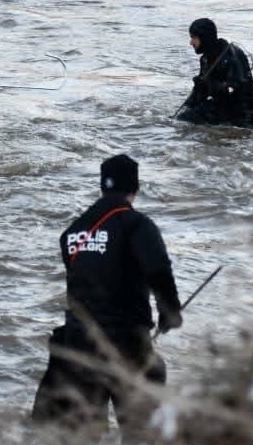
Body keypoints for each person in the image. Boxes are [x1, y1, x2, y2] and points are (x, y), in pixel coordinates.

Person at [32, 154, 183, 430]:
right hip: (125, 345)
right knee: (142, 429)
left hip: (79, 345)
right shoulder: (136, 224)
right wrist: (170, 313)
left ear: (102, 186)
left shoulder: (73, 233)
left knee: (81, 439)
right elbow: (158, 269)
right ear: (134, 188)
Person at [176, 18, 253, 127]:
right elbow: (199, 94)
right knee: (184, 118)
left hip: (245, 117)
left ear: (204, 37)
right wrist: (185, 108)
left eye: (194, 38)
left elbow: (234, 90)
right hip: (225, 109)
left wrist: (208, 85)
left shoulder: (232, 55)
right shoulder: (206, 58)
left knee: (189, 118)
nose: (191, 42)